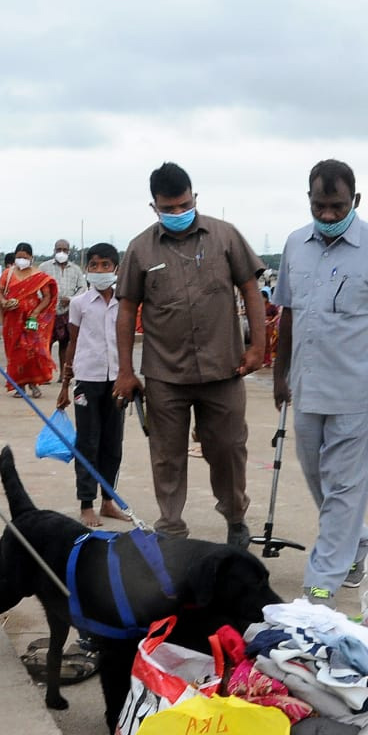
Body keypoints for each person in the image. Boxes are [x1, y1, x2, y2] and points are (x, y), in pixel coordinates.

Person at [272, 159, 368, 608]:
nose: (328, 215)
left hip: (357, 390)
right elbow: (288, 312)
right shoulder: (296, 244)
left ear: (355, 200)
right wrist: (279, 372)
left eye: (337, 206)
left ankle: (321, 582)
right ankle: (357, 542)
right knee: (319, 477)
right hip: (308, 384)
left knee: (344, 486)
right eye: (320, 206)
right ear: (309, 200)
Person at [114, 161, 265, 546]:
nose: (179, 213)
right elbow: (127, 310)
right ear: (154, 207)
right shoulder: (140, 249)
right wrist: (126, 371)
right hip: (166, 374)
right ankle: (171, 530)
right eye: (170, 208)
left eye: (184, 205)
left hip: (224, 368)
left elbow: (250, 289)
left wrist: (258, 347)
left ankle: (235, 519)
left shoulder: (225, 236)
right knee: (167, 455)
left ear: (195, 197)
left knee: (228, 449)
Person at [57, 243, 129, 528]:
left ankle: (108, 500)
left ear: (116, 269)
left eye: (106, 266)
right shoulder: (80, 303)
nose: (99, 271)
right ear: (87, 269)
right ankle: (86, 503)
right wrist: (65, 385)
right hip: (87, 380)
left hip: (117, 382)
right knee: (88, 442)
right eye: (94, 265)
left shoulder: (124, 303)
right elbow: (72, 344)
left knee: (113, 444)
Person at [0, 242, 56, 399]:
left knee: (31, 350)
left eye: (25, 257)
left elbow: (47, 296)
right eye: (18, 257)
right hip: (12, 319)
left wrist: (36, 312)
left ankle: (33, 384)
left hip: (31, 319)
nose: (21, 260)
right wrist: (4, 302)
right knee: (15, 352)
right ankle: (19, 386)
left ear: (31, 258)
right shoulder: (7, 274)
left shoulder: (38, 276)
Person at [38, 238, 86, 372]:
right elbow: (37, 287)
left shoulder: (76, 269)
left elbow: (83, 288)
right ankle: (45, 373)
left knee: (65, 344)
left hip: (67, 312)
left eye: (64, 250)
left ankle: (63, 374)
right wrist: (45, 301)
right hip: (48, 312)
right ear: (54, 250)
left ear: (69, 252)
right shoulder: (44, 267)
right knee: (45, 343)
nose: (61, 252)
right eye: (59, 249)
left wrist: (71, 299)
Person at [262, 286, 280, 368]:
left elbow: (277, 314)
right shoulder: (260, 306)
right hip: (262, 326)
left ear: (266, 298)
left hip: (270, 326)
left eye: (262, 298)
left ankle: (268, 361)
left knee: (268, 344)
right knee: (262, 344)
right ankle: (263, 360)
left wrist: (272, 321)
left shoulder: (271, 306)